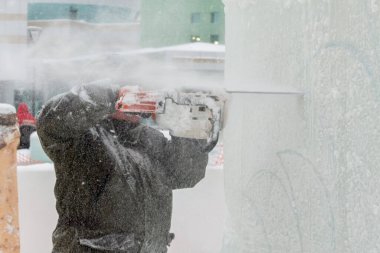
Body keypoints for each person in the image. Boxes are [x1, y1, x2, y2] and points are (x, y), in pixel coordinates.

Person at [37, 84, 216, 253]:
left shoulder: (148, 140)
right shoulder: (83, 138)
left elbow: (186, 173)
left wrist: (188, 127)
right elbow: (51, 120)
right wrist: (112, 95)